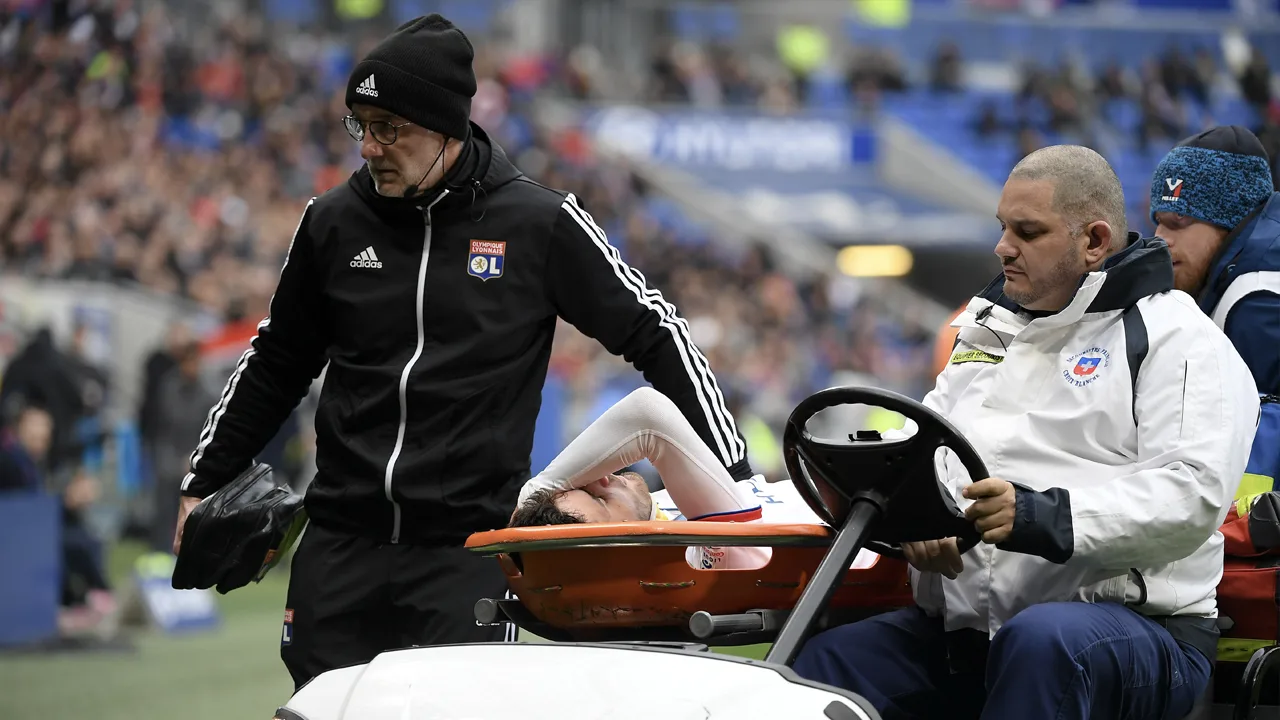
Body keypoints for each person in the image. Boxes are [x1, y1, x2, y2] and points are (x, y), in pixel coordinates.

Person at [171, 14, 754, 691]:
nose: (370, 147)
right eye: (361, 124)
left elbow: (656, 331)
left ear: (445, 127)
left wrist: (735, 479)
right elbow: (277, 359)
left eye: (391, 128)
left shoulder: (540, 222)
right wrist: (202, 481)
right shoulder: (330, 221)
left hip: (467, 554)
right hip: (338, 546)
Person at [791, 145, 1260, 720]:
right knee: (822, 667)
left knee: (1042, 643)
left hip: (1141, 630)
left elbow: (1192, 495)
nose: (1002, 247)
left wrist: (1041, 515)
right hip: (968, 632)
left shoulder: (1179, 339)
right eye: (1002, 227)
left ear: (1093, 241)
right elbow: (936, 452)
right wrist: (922, 519)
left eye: (1027, 231)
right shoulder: (984, 326)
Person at [1148, 125, 1280, 657]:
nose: (1161, 240)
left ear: (1227, 225)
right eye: (1158, 222)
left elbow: (1253, 436)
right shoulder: (1241, 265)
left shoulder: (1260, 296)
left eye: (1178, 225)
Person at [508, 385, 878, 571]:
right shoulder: (704, 554)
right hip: (892, 531)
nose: (600, 478)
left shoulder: (672, 506)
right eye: (600, 500)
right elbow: (647, 414)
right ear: (621, 553)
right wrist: (535, 490)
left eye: (583, 483)